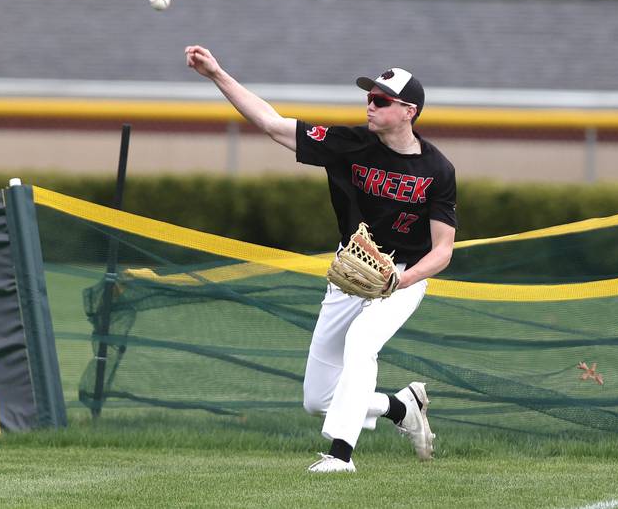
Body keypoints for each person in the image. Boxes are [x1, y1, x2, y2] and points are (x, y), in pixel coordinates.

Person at [185, 45, 457, 473]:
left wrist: (401, 282)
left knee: (362, 345)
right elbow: (273, 124)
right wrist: (217, 74)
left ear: (409, 111)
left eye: (380, 100)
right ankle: (401, 408)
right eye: (368, 96)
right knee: (319, 400)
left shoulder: (437, 170)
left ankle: (340, 457)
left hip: (402, 277)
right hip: (351, 274)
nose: (370, 104)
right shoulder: (350, 144)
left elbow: (442, 250)